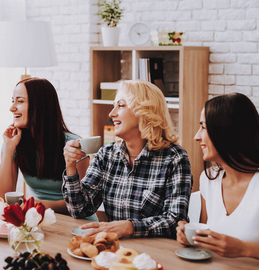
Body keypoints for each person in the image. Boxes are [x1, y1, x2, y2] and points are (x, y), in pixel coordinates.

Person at [63, 80, 193, 238]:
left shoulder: (175, 158)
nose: (111, 114)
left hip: (157, 253)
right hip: (115, 250)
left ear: (144, 111)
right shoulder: (106, 155)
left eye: (121, 105)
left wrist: (130, 227)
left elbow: (175, 221)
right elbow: (80, 209)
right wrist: (71, 167)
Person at [176, 93, 259, 266]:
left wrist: (244, 249)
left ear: (226, 131)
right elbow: (208, 242)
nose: (197, 136)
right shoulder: (209, 180)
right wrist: (192, 239)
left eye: (204, 127)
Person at [0, 77, 96, 220]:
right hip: (40, 219)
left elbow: (83, 203)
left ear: (40, 106)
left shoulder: (72, 146)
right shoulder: (14, 142)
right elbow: (3, 196)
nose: (12, 108)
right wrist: (9, 149)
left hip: (75, 222)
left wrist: (40, 204)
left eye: (20, 101)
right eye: (13, 101)